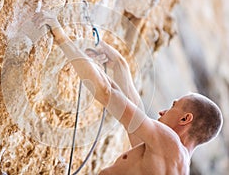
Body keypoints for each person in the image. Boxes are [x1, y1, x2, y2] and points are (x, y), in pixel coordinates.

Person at [32, 11, 223, 175]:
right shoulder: (169, 157)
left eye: (173, 106)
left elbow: (107, 94)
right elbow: (126, 92)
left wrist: (60, 35)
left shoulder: (169, 143)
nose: (162, 112)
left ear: (185, 119)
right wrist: (99, 46)